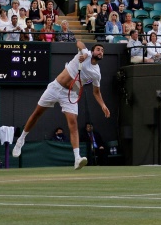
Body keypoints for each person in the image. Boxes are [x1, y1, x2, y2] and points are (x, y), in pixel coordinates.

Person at [12, 41, 110, 170]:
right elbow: (79, 42)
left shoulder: (96, 73)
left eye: (102, 51)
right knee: (37, 114)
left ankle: (77, 158)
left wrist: (103, 105)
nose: (100, 52)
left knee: (73, 123)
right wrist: (85, 53)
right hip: (55, 88)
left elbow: (96, 92)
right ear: (93, 51)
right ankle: (21, 140)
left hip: (70, 95)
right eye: (98, 49)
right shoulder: (84, 53)